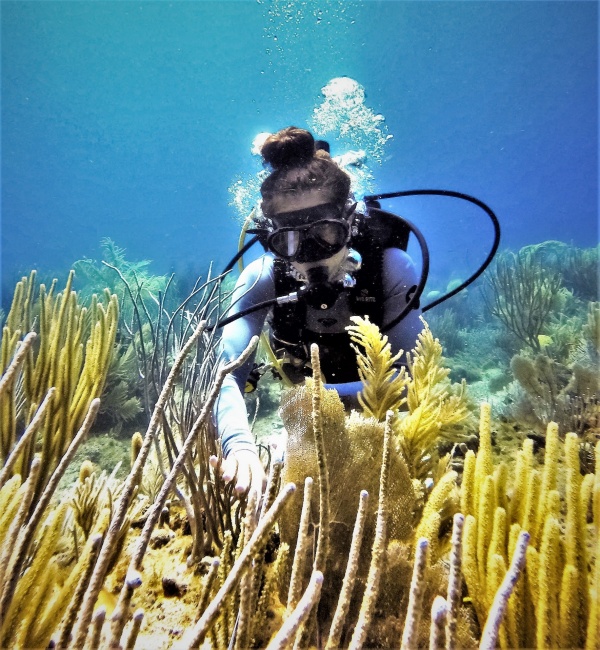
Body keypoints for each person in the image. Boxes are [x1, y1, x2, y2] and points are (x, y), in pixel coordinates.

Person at [211, 126, 424, 496]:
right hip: (311, 393)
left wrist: (312, 411)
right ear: (271, 238)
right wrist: (240, 447)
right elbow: (224, 375)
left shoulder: (391, 268)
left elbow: (413, 377)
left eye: (326, 232)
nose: (312, 255)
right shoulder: (262, 277)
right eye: (289, 239)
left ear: (350, 221)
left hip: (374, 423)